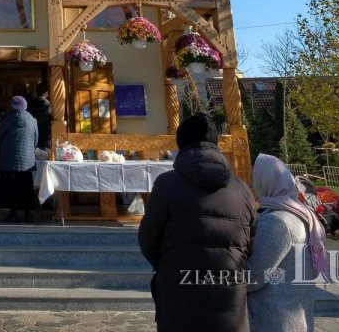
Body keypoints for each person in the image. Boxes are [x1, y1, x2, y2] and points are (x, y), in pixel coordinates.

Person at [138, 113, 257, 332]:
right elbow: (250, 242)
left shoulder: (166, 185)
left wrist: (169, 266)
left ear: (181, 144)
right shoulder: (241, 189)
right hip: (229, 293)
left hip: (179, 291)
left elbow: (148, 239)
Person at [245, 154, 328, 332]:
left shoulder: (278, 222)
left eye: (254, 177)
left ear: (266, 181)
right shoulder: (303, 214)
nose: (251, 183)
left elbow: (255, 276)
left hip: (274, 319)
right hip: (296, 317)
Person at [0, 95, 39, 222]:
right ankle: (27, 213)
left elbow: (0, 136)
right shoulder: (32, 120)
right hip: (27, 160)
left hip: (9, 158)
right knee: (26, 185)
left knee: (12, 186)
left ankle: (13, 212)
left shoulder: (7, 119)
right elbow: (36, 139)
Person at [28, 83, 53, 151]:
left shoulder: (31, 103)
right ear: (46, 93)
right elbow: (50, 118)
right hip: (45, 135)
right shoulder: (47, 104)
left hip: (33, 134)